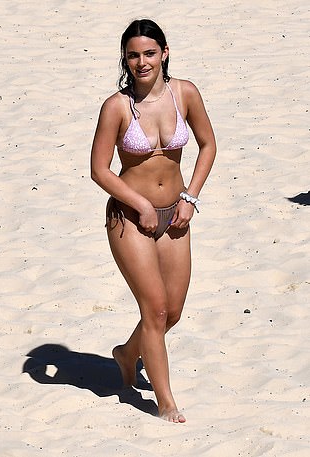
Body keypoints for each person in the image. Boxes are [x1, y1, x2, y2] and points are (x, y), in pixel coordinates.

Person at [90, 19, 216, 423]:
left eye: (148, 53)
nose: (141, 62)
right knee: (155, 310)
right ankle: (165, 402)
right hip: (128, 217)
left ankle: (128, 353)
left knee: (173, 311)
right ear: (124, 59)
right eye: (132, 55)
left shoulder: (185, 93)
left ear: (164, 53)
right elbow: (100, 170)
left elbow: (208, 145)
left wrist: (190, 197)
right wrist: (139, 204)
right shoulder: (116, 106)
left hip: (176, 213)